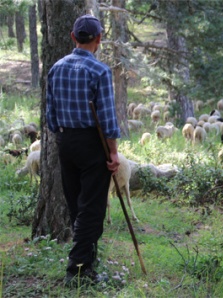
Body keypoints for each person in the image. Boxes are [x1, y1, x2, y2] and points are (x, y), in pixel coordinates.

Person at [46, 14, 120, 286]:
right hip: (92, 144)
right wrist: (113, 154)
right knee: (91, 209)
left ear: (73, 37)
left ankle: (87, 260)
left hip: (65, 143)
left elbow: (50, 115)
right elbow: (108, 120)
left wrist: (63, 135)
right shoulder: (100, 71)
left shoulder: (56, 68)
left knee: (78, 205)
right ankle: (76, 269)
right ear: (98, 39)